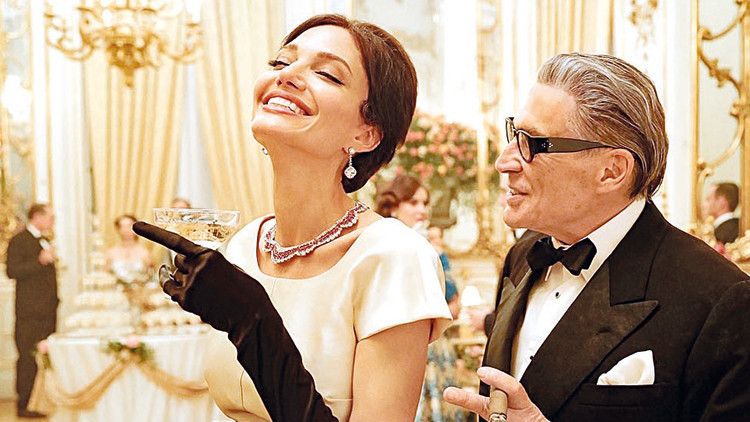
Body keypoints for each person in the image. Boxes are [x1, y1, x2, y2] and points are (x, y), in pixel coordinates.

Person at [138, 14, 451, 422]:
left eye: (328, 74)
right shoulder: (243, 245)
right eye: (281, 62)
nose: (286, 76)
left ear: (366, 134)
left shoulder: (393, 257)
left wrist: (253, 322)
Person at [441, 53, 750, 421]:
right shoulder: (521, 257)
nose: (504, 161)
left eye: (533, 144)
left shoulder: (721, 300)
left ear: (612, 171)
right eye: (514, 135)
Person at [376, 175, 463, 422]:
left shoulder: (431, 247)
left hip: (434, 345)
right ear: (394, 207)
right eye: (413, 202)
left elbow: (454, 305)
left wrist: (436, 254)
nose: (422, 210)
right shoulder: (381, 246)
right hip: (399, 345)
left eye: (425, 203)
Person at [5, 204, 58, 419]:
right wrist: (39, 261)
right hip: (30, 312)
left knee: (44, 357)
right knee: (27, 357)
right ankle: (24, 404)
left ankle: (42, 400)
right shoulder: (20, 240)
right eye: (50, 217)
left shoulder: (43, 239)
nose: (53, 221)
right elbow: (12, 271)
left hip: (47, 310)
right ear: (37, 217)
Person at [105, 214, 154, 284]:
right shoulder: (111, 252)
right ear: (118, 230)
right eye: (122, 226)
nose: (126, 230)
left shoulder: (144, 253)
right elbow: (106, 276)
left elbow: (150, 277)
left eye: (129, 226)